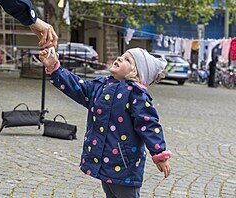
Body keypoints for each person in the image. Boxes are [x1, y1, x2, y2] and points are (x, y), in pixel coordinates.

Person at [39, 47, 172, 198]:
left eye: (128, 60)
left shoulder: (136, 94)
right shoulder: (100, 86)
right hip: (105, 162)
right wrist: (54, 68)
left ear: (137, 73)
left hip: (125, 166)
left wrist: (159, 153)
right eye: (122, 56)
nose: (120, 58)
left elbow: (148, 124)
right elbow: (77, 86)